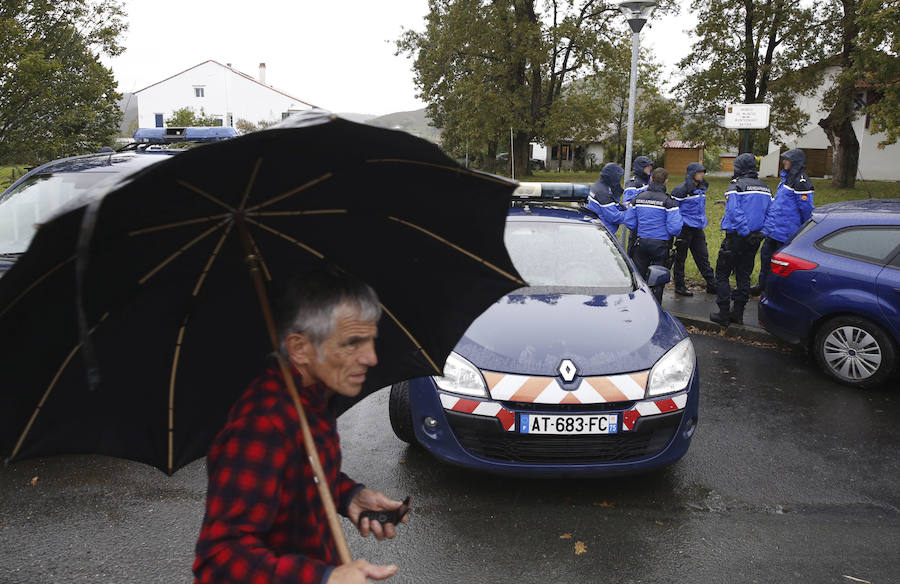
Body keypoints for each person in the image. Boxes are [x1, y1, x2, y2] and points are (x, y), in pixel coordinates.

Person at [193, 269, 406, 584]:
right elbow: (219, 558)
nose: (372, 358)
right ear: (300, 349)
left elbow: (301, 475)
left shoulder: (313, 399)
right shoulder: (263, 425)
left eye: (371, 340)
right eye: (353, 343)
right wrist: (325, 578)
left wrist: (348, 495)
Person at [710, 153, 772, 325]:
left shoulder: (735, 186)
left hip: (736, 238)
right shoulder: (765, 188)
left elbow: (734, 212)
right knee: (744, 276)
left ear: (740, 167)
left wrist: (745, 232)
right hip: (754, 240)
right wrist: (761, 233)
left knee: (722, 274)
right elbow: (771, 214)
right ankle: (738, 314)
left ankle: (723, 314)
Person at [752, 148, 815, 296]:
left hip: (787, 232)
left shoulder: (801, 181)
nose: (784, 162)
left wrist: (805, 229)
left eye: (787, 159)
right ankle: (763, 285)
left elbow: (806, 209)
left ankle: (777, 291)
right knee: (766, 258)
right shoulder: (786, 178)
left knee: (781, 265)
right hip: (774, 230)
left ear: (795, 162)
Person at [624, 167, 682, 303]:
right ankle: (655, 308)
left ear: (651, 179)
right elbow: (675, 228)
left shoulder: (638, 198)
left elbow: (629, 221)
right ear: (666, 182)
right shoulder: (669, 202)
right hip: (660, 245)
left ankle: (638, 304)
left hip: (641, 243)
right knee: (658, 280)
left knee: (639, 279)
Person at [670, 162, 717, 296]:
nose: (702, 175)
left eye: (703, 172)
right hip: (684, 229)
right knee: (680, 259)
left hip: (697, 229)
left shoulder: (702, 188)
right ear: (692, 174)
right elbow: (673, 211)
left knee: (703, 257)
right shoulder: (680, 190)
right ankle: (679, 286)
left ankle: (712, 284)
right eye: (699, 172)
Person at [585, 163, 626, 235]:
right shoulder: (603, 193)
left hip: (596, 228)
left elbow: (612, 204)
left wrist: (624, 207)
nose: (619, 180)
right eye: (618, 178)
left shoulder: (599, 185)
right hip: (602, 232)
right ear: (612, 177)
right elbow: (614, 217)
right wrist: (631, 213)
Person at [622, 156, 653, 251]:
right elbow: (627, 204)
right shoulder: (632, 184)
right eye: (647, 166)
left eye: (650, 166)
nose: (650, 168)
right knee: (633, 252)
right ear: (640, 167)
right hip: (638, 225)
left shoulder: (650, 181)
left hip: (649, 225)